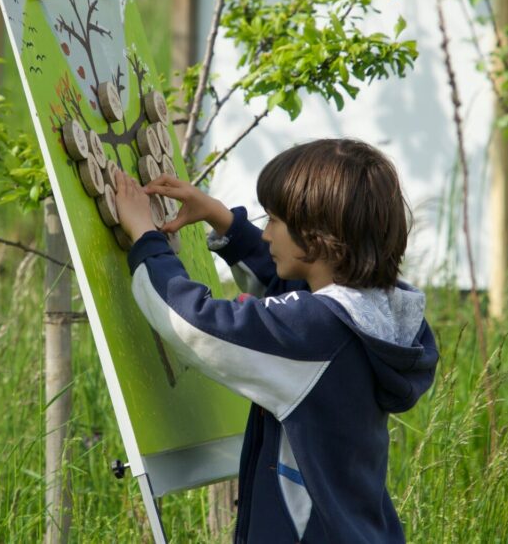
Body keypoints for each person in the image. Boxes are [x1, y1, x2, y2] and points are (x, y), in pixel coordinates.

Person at [114, 138, 438, 543]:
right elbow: (290, 288)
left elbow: (195, 325)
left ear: (317, 239)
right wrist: (222, 220)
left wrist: (146, 237)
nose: (266, 234)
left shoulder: (320, 332)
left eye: (273, 221)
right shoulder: (376, 312)